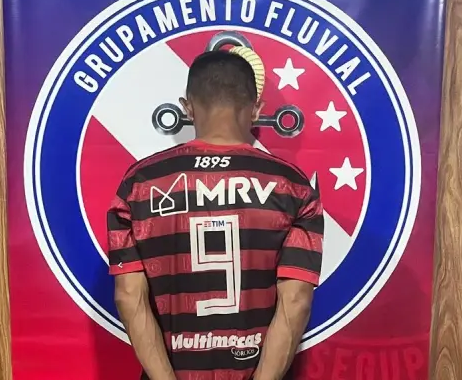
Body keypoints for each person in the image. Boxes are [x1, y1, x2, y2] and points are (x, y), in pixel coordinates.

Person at [107, 48, 324, 380]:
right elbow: (296, 303)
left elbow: (128, 296)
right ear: (257, 110)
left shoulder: (139, 185)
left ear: (187, 108)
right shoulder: (293, 188)